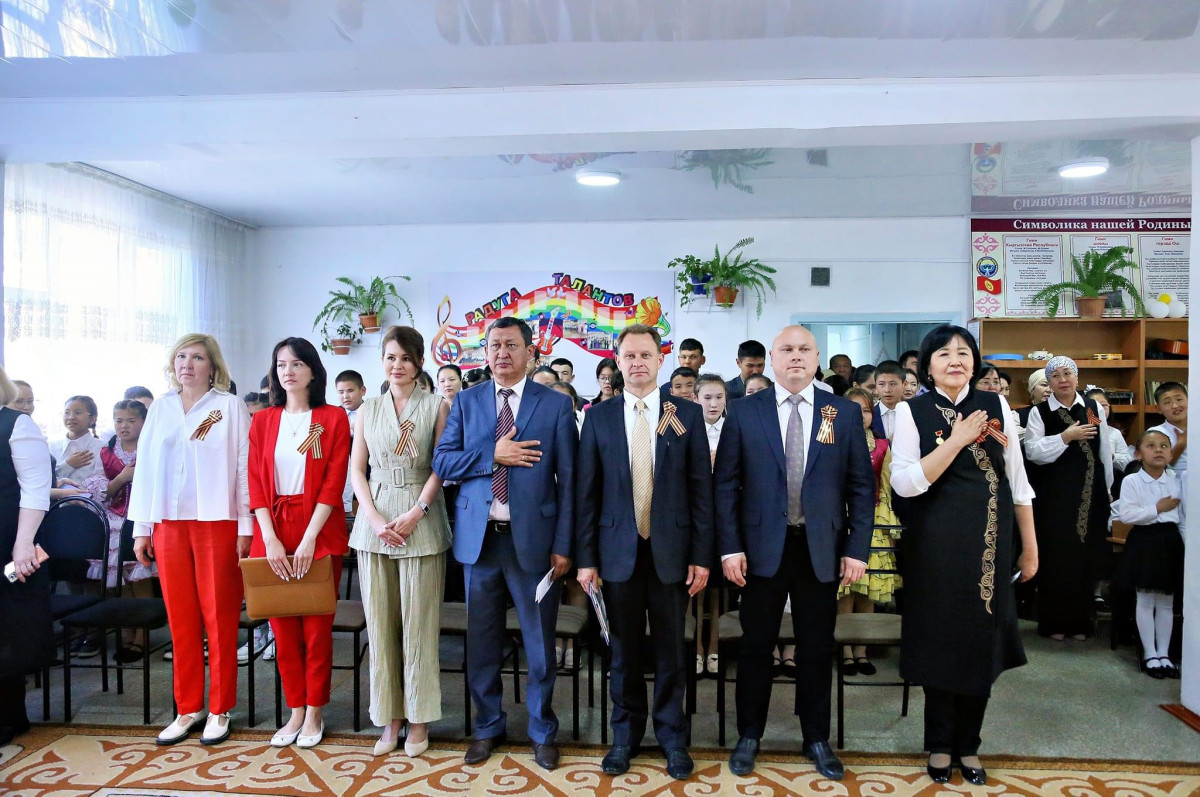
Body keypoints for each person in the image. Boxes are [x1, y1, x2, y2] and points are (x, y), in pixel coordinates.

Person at [716, 325, 873, 781]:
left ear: (817, 357)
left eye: (805, 349)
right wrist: (730, 547)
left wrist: (857, 549)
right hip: (761, 549)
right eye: (787, 349)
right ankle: (749, 735)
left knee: (816, 647)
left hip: (821, 548)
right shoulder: (744, 411)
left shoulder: (842, 412)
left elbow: (861, 488)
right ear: (773, 358)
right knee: (755, 646)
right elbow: (725, 485)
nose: (796, 356)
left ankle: (816, 737)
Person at [889, 324, 1036, 786]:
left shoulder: (998, 406)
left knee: (980, 643)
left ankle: (969, 744)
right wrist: (955, 440)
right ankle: (938, 743)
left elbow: (1018, 481)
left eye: (964, 353)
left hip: (991, 543)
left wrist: (1030, 547)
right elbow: (904, 484)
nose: (955, 360)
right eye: (944, 354)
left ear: (974, 362)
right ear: (927, 366)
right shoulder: (911, 411)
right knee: (940, 641)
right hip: (935, 545)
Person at [432, 316, 577, 771]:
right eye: (494, 345)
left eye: (511, 345)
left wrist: (564, 544)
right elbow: (443, 461)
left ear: (530, 353)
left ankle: (542, 730)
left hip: (534, 542)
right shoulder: (467, 401)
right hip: (480, 543)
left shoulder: (554, 405)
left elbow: (570, 482)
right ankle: (487, 726)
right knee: (482, 643)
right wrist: (491, 455)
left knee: (539, 644)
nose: (501, 353)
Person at [576, 324, 713, 780]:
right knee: (623, 653)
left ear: (660, 360)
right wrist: (586, 559)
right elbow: (587, 494)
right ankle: (625, 737)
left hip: (672, 553)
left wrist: (701, 556)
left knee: (673, 652)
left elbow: (700, 491)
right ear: (618, 362)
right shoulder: (598, 416)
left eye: (645, 355)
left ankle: (673, 737)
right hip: (616, 553)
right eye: (629, 356)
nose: (637, 363)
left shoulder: (685, 413)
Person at [129, 333, 252, 746]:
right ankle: (188, 707)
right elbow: (145, 468)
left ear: (212, 366)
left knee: (219, 616)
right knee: (181, 618)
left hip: (217, 520)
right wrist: (142, 528)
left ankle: (220, 707)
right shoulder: (160, 408)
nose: (187, 364)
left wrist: (246, 525)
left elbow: (243, 467)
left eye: (197, 357)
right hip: (168, 522)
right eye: (181, 357)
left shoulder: (229, 406)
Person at [348, 327, 451, 757]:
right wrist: (373, 518)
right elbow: (357, 469)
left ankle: (420, 718)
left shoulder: (437, 405)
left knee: (419, 626)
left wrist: (416, 512)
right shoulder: (367, 409)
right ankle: (390, 717)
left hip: (420, 521)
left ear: (419, 362)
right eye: (390, 357)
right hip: (374, 525)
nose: (397, 365)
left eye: (406, 358)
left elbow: (442, 465)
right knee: (381, 626)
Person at [248, 338, 351, 750]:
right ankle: (295, 709)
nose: (287, 371)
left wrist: (309, 537)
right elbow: (255, 483)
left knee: (316, 630)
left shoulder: (331, 417)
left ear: (312, 370)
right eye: (280, 364)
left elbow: (333, 481)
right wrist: (270, 538)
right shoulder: (263, 421)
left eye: (296, 364)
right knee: (283, 630)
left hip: (318, 530)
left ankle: (315, 711)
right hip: (272, 530)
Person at [1023, 356, 1113, 641]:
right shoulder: (1040, 412)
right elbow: (1033, 451)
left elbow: (1103, 448)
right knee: (1057, 557)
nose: (1062, 380)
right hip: (1055, 498)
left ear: (1077, 377)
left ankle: (1080, 624)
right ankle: (1054, 624)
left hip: (1089, 495)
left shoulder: (1092, 408)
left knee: (1084, 557)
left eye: (1067, 373)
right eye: (1055, 376)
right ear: (1048, 382)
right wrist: (1065, 436)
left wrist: (1108, 489)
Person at [0, 366, 53, 748]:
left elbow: (35, 490)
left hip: (9, 536)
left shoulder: (17, 424)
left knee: (8, 626)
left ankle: (8, 716)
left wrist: (23, 544)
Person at [82, 399, 157, 662]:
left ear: (144, 422)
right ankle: (126, 633)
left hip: (141, 520)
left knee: (140, 579)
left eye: (131, 420)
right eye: (119, 420)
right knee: (121, 581)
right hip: (114, 519)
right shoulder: (106, 452)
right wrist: (123, 477)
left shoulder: (152, 448)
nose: (124, 426)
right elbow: (102, 492)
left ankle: (142, 636)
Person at [837, 388, 901, 676]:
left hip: (873, 521)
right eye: (854, 409)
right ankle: (844, 650)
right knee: (846, 590)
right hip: (841, 520)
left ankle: (862, 650)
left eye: (865, 410)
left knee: (869, 590)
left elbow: (886, 488)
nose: (860, 415)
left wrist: (888, 526)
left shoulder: (882, 446)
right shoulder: (832, 442)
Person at [1113, 430, 1184, 679]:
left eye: (1164, 446)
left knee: (1166, 602)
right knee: (1145, 600)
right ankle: (1150, 654)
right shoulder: (1132, 481)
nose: (1158, 450)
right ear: (1138, 454)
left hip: (1170, 540)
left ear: (1171, 454)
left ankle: (1164, 654)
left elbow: (1182, 517)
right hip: (1145, 540)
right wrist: (1156, 508)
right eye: (1151, 445)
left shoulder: (1176, 480)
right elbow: (1127, 515)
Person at [694, 374, 728, 676]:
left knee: (718, 589)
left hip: (724, 518)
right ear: (696, 399)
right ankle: (694, 647)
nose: (713, 403)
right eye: (707, 397)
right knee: (694, 587)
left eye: (719, 397)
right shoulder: (687, 427)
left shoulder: (733, 428)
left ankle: (714, 646)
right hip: (695, 518)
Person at [50, 396, 104, 485]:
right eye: (67, 412)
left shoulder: (101, 448)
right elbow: (44, 479)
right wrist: (67, 465)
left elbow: (102, 483)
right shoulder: (51, 446)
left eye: (78, 413)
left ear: (92, 419)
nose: (71, 417)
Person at [1148, 382, 1188, 483]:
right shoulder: (1155, 433)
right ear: (1159, 409)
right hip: (1174, 486)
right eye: (1167, 402)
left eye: (1179, 399)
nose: (1175, 405)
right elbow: (1157, 466)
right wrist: (1181, 445)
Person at [1086, 388, 1132, 474]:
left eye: (1103, 405)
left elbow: (1127, 464)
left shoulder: (1115, 433)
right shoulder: (1079, 431)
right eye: (1094, 405)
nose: (1100, 409)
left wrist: (1112, 456)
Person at [870, 361, 906, 441]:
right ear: (875, 385)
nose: (887, 390)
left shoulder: (913, 413)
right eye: (881, 384)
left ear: (904, 384)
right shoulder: (870, 415)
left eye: (892, 384)